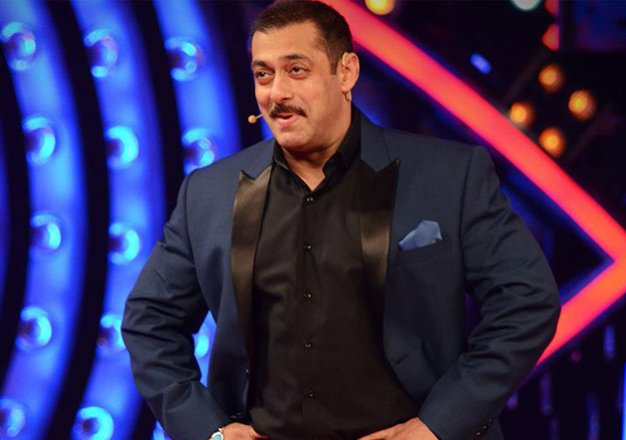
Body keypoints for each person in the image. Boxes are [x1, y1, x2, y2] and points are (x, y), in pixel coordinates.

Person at [121, 1, 561, 439]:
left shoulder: (449, 175)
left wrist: (436, 427)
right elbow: (150, 320)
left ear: (346, 72)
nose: (276, 93)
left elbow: (526, 302)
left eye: (296, 70)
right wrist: (210, 431)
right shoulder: (209, 193)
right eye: (263, 74)